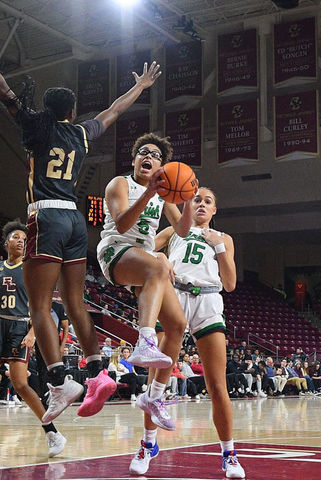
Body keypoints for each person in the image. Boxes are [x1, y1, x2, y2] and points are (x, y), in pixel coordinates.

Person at [0, 14, 161, 422]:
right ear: (72, 111)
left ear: (48, 108)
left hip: (46, 217)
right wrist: (140, 87)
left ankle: (59, 381)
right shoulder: (81, 133)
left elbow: (0, 88)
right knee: (75, 302)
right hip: (74, 220)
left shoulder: (36, 127)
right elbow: (113, 110)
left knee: (40, 305)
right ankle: (97, 371)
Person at [129, 187, 245, 478]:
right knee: (155, 378)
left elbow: (230, 283)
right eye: (197, 200)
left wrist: (219, 247)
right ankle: (147, 444)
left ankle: (229, 454)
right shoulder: (173, 231)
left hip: (208, 300)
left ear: (214, 210)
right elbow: (142, 252)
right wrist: (160, 259)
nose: (202, 204)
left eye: (208, 201)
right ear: (188, 206)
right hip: (175, 295)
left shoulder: (224, 238)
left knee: (217, 385)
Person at [97, 132, 193, 428]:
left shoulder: (163, 194)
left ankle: (153, 396)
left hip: (145, 261)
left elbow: (183, 230)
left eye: (155, 155)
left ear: (161, 166)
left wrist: (188, 199)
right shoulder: (120, 183)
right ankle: (146, 339)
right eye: (144, 152)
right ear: (134, 159)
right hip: (115, 250)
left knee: (177, 326)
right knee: (159, 263)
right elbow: (122, 223)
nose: (149, 157)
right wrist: (149, 193)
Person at [0, 221, 66, 458]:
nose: (21, 241)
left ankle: (53, 433)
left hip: (21, 326)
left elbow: (41, 306)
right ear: (6, 242)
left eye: (24, 239)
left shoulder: (31, 269)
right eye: (16, 237)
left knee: (20, 384)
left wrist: (32, 333)